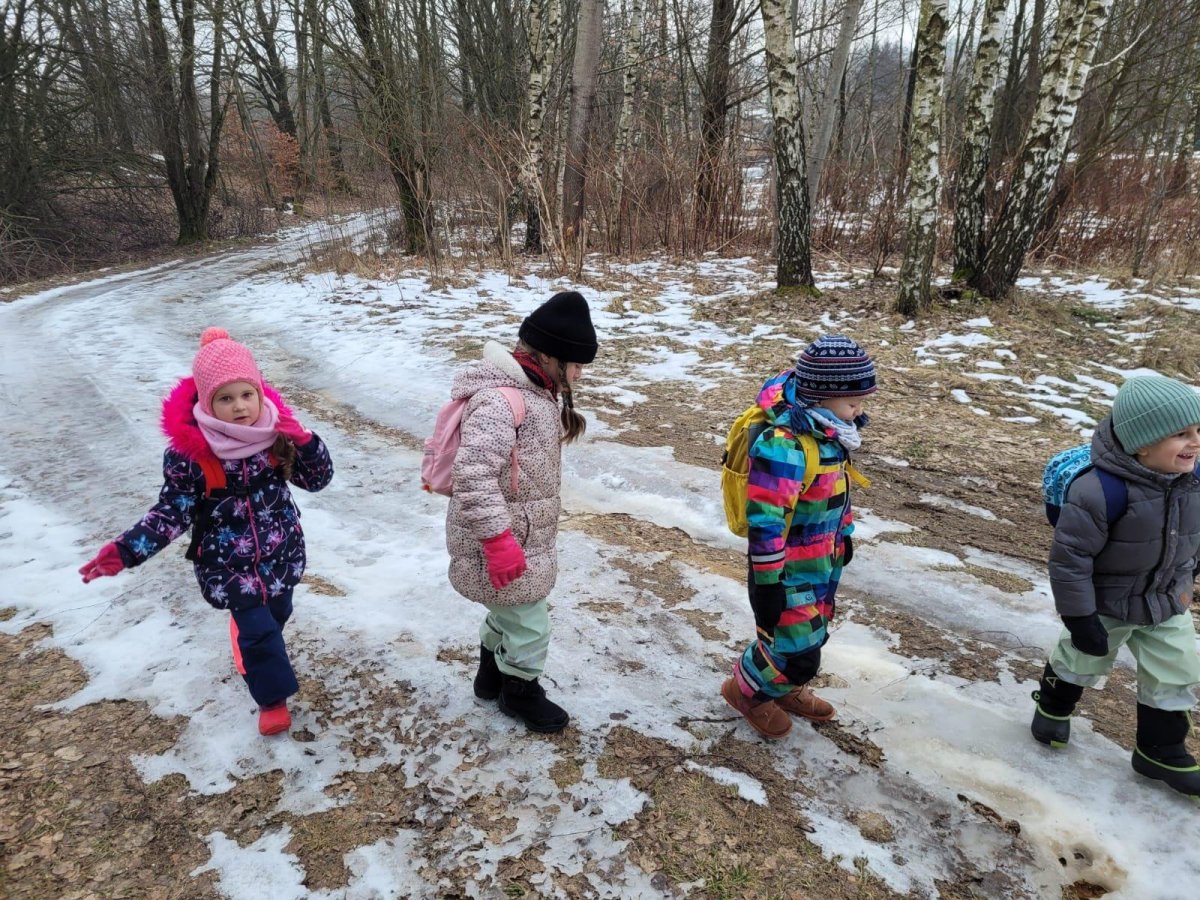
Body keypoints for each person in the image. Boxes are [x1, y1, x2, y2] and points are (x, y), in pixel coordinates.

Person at [79, 328, 334, 736]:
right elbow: (171, 513)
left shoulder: (275, 434)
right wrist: (127, 550)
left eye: (247, 394)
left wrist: (305, 442)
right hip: (227, 564)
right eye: (225, 399)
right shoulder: (193, 454)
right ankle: (272, 700)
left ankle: (254, 642)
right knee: (260, 633)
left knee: (277, 615)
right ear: (206, 402)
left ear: (260, 392)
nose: (240, 407)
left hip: (280, 552)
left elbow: (317, 479)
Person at [1032, 375, 1200, 799]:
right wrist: (1079, 616)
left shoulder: (1194, 480)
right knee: (1081, 657)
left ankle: (1160, 750)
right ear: (1142, 444)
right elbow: (1070, 559)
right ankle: (1053, 708)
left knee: (1177, 669)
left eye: (1198, 431)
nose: (1195, 442)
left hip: (1167, 599)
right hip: (1106, 602)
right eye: (1181, 434)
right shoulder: (1099, 491)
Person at [446, 290, 597, 733]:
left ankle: (490, 675)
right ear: (549, 356)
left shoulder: (536, 392)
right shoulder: (501, 401)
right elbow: (473, 474)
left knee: (509, 610)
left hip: (520, 537)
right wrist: (498, 542)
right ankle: (520, 690)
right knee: (530, 625)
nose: (580, 374)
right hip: (500, 542)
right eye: (576, 364)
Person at [723, 335, 875, 738]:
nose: (860, 410)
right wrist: (768, 582)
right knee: (795, 652)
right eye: (853, 402)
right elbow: (766, 522)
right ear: (821, 396)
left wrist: (845, 534)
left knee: (812, 635)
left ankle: (785, 687)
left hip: (822, 560)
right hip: (784, 570)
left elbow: (838, 493)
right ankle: (745, 691)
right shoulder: (784, 445)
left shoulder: (829, 435)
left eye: (862, 401)